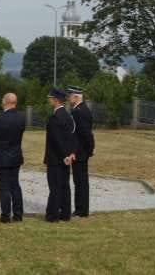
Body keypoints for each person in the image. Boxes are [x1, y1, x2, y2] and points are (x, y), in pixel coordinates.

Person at [0, 92, 25, 223]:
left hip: (2, 156)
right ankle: (18, 214)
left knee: (3, 187)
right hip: (15, 155)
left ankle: (5, 215)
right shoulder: (21, 118)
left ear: (6, 102)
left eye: (3, 99)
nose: (1, 101)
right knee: (15, 185)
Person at [43, 88, 76, 222]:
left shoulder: (55, 118)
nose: (49, 100)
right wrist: (70, 153)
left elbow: (56, 141)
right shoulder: (68, 116)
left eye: (50, 98)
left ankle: (53, 215)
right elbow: (73, 137)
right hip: (66, 157)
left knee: (55, 187)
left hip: (56, 158)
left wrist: (64, 155)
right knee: (64, 186)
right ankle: (65, 213)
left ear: (56, 100)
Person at [67, 85, 95, 217]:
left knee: (81, 182)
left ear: (76, 97)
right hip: (81, 150)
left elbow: (85, 134)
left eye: (70, 96)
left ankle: (81, 210)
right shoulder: (80, 109)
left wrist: (89, 149)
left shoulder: (79, 111)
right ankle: (81, 208)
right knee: (80, 181)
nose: (68, 98)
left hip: (80, 151)